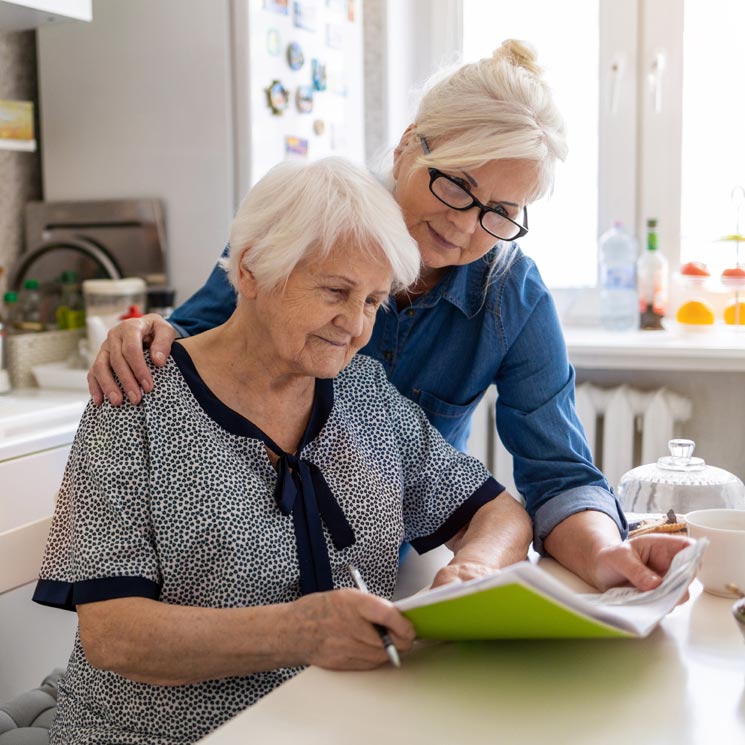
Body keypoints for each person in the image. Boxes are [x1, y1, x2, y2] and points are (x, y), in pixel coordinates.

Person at [88, 39, 692, 594]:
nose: (462, 224)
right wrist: (144, 333)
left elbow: (559, 475)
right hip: (243, 565)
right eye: (457, 184)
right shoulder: (307, 225)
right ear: (408, 146)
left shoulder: (513, 295)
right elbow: (196, 343)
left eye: (500, 210)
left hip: (390, 564)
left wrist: (608, 553)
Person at [33, 157, 534, 745]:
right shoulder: (137, 397)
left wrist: (472, 569)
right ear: (250, 272)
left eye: (374, 301)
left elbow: (499, 513)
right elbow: (113, 634)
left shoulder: (364, 395)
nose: (354, 326)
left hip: (332, 725)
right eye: (335, 291)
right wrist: (299, 631)